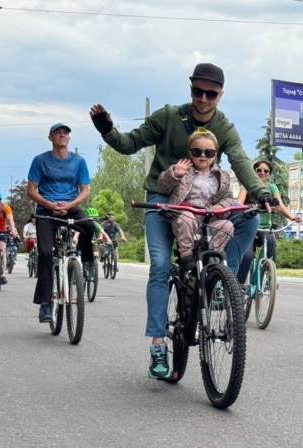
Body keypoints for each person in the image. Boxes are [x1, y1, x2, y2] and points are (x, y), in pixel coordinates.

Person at [89, 62, 276, 379]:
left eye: (211, 94)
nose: (203, 99)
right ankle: (159, 345)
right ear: (190, 89)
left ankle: (220, 280)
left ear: (220, 96)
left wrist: (260, 192)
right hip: (163, 197)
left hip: (205, 200)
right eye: (197, 91)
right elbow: (129, 143)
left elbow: (242, 161)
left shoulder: (225, 128)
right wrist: (107, 129)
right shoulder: (168, 116)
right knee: (161, 264)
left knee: (249, 221)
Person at [27, 123, 95, 323]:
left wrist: (70, 204)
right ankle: (46, 304)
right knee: (47, 253)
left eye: (65, 133)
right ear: (50, 137)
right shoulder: (40, 160)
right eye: (58, 133)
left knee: (89, 225)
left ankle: (85, 262)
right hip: (46, 209)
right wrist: (48, 204)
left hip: (70, 205)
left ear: (69, 139)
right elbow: (31, 190)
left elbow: (84, 190)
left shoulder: (79, 161)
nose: (62, 136)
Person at [158, 128, 235, 278]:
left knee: (227, 226)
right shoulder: (183, 170)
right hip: (185, 215)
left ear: (215, 155)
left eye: (209, 152)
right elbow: (163, 186)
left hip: (209, 217)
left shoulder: (223, 176)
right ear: (189, 153)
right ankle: (186, 256)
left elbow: (228, 197)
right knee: (187, 218)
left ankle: (212, 259)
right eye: (197, 151)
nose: (203, 156)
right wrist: (174, 174)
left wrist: (222, 206)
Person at [236, 159, 301, 284]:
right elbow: (239, 202)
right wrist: (246, 207)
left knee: (271, 243)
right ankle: (239, 284)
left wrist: (292, 217)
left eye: (266, 171)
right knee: (248, 256)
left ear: (269, 174)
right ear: (254, 172)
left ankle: (269, 277)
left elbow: (280, 205)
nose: (262, 173)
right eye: (259, 170)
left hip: (265, 227)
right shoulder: (246, 185)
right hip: (248, 225)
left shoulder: (272, 187)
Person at [0, 192, 19, 285]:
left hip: (2, 231)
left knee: (3, 252)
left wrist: (13, 230)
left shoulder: (5, 208)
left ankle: (2, 275)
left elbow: (10, 219)